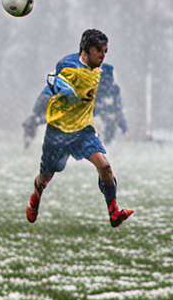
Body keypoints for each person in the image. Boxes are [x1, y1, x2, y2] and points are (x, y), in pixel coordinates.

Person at [25, 29, 134, 227]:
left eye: (105, 51)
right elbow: (49, 89)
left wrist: (91, 120)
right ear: (86, 49)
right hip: (57, 132)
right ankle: (36, 196)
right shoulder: (67, 66)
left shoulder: (100, 70)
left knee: (105, 167)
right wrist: (36, 113)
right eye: (99, 50)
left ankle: (113, 211)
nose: (103, 55)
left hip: (82, 131)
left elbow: (93, 99)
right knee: (46, 177)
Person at [95, 63, 130, 143]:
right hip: (105, 124)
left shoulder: (94, 88)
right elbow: (118, 111)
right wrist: (125, 130)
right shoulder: (114, 90)